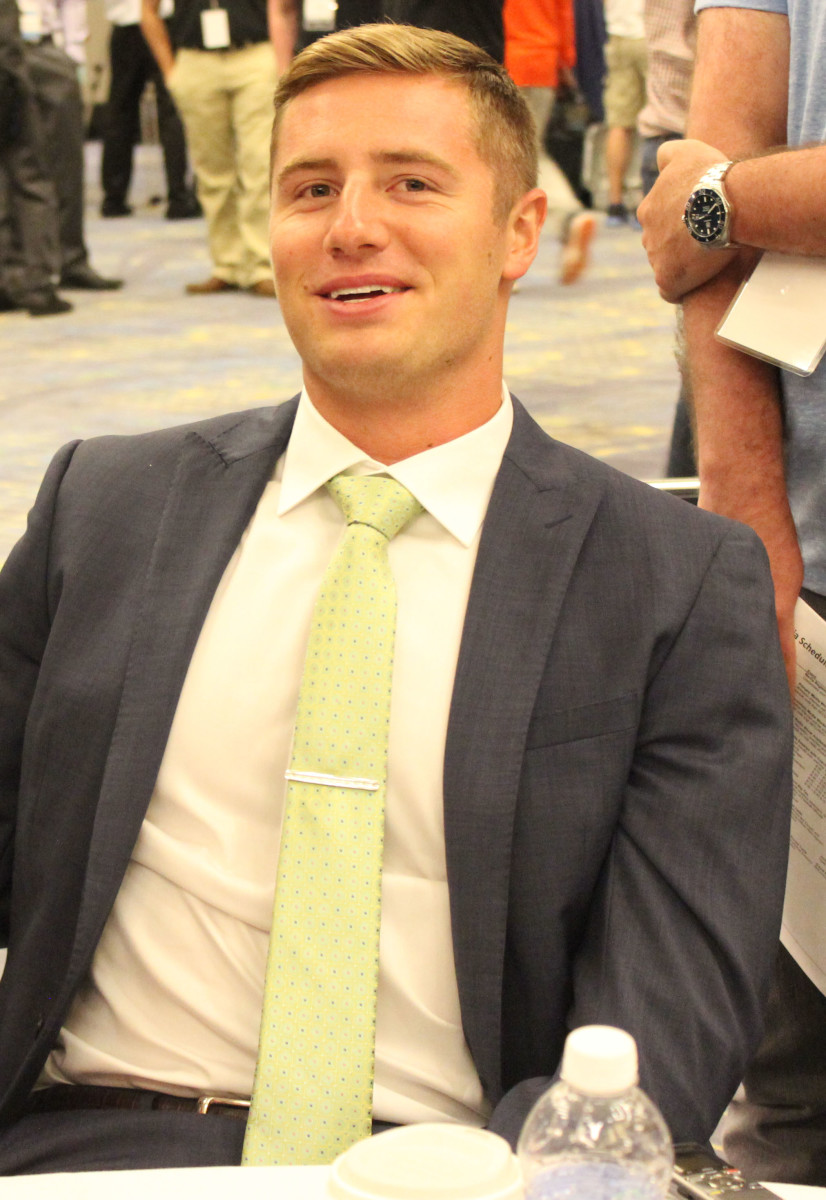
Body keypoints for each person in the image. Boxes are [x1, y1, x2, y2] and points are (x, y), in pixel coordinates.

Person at [0, 21, 793, 1175]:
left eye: (410, 183)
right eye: (310, 187)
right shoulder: (106, 509)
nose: (351, 225)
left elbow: (671, 1015)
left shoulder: (673, 584)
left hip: (462, 1170)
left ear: (520, 230)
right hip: (90, 1147)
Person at [638, 105, 826, 1200]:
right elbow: (686, 198)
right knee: (790, 1081)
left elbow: (693, 203)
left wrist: (730, 201)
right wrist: (745, 510)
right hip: (802, 564)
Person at [140, 0, 297, 296]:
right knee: (211, 170)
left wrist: (281, 65)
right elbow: (148, 12)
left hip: (254, 57)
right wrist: (171, 73)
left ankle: (262, 265)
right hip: (196, 63)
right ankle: (227, 264)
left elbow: (282, 8)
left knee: (258, 164)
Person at [15, 0, 123, 292]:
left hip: (47, 49)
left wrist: (71, 55)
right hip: (5, 48)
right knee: (11, 167)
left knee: (68, 163)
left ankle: (71, 260)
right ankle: (15, 271)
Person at [503, 0, 598, 284]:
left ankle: (506, 255)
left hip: (508, 62)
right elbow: (564, 19)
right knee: (531, 151)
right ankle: (569, 215)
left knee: (509, 159)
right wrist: (565, 62)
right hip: (543, 66)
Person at [100, 0, 200, 220]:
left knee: (120, 112)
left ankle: (113, 199)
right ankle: (179, 198)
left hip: (125, 22)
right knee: (170, 111)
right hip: (160, 21)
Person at [602, 0, 647, 224]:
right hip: (652, 34)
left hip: (619, 35)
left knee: (619, 123)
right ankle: (649, 201)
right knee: (660, 123)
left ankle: (615, 204)